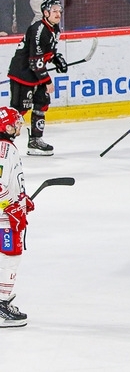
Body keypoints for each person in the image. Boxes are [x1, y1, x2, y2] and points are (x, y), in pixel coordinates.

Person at [6, 0, 67, 157]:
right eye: (54, 11)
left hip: (36, 73)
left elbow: (48, 52)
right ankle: (2, 141)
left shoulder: (55, 29)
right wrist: (47, 81)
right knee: (19, 110)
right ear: (45, 13)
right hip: (23, 73)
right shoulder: (38, 29)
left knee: (42, 103)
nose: (58, 13)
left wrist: (56, 58)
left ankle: (35, 141)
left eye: (59, 11)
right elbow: (35, 61)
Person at [0, 106, 33, 328]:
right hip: (4, 217)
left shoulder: (7, 147)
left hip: (7, 212)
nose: (19, 126)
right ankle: (1, 306)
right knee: (11, 256)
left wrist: (22, 199)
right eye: (15, 123)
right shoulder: (4, 148)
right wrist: (11, 207)